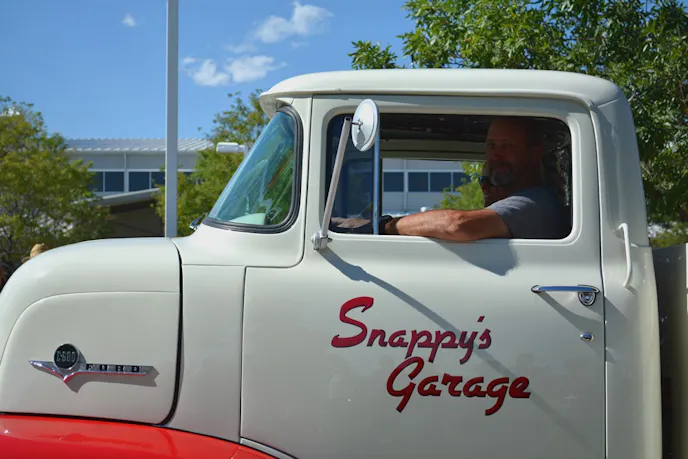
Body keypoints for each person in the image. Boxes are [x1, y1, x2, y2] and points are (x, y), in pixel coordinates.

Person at [334, 116, 570, 241]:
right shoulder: (529, 201)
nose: (496, 155)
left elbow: (457, 225)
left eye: (507, 146)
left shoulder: (536, 203)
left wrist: (382, 227)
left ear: (534, 152)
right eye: (491, 146)